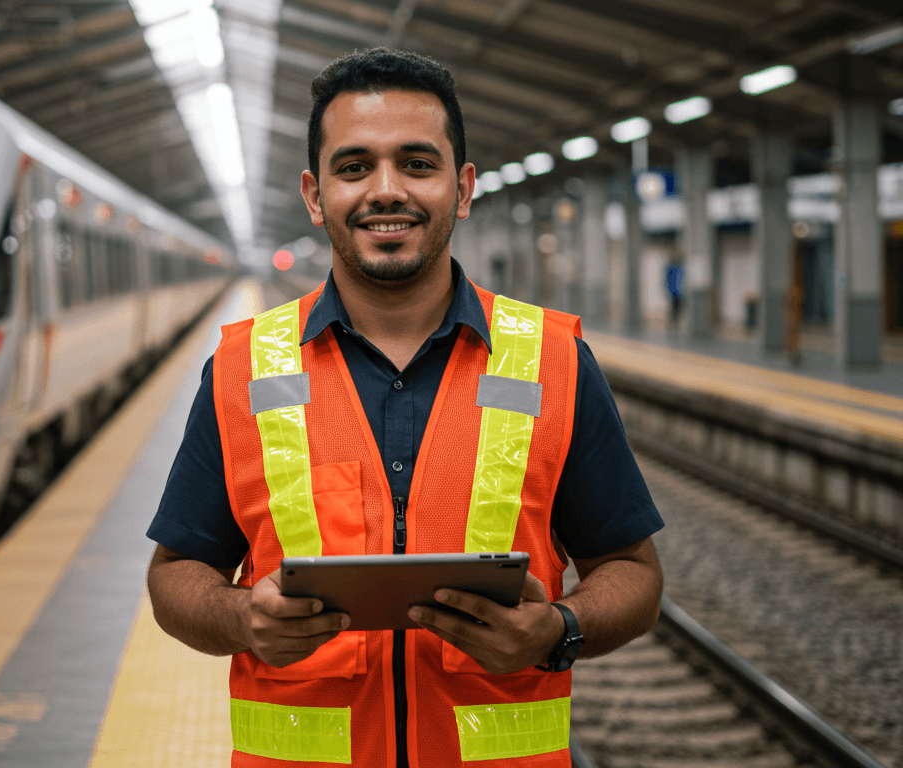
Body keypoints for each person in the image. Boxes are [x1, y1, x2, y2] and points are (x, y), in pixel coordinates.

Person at [145, 48, 663, 768]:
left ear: (464, 186)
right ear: (314, 194)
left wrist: (559, 631)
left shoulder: (553, 360)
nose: (386, 191)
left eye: (417, 164)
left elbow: (634, 572)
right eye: (354, 167)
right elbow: (174, 577)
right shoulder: (242, 367)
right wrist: (240, 617)